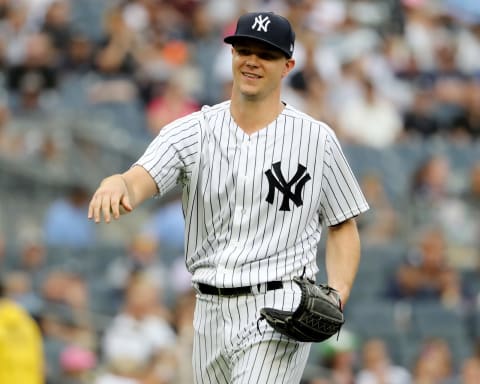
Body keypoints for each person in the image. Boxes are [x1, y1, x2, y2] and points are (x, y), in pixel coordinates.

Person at [88, 11, 369, 384]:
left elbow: (343, 223)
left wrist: (339, 290)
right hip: (206, 310)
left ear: (287, 66)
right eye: (244, 50)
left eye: (266, 54)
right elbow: (138, 180)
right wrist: (116, 183)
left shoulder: (316, 140)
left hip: (278, 309)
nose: (252, 61)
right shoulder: (193, 131)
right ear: (232, 55)